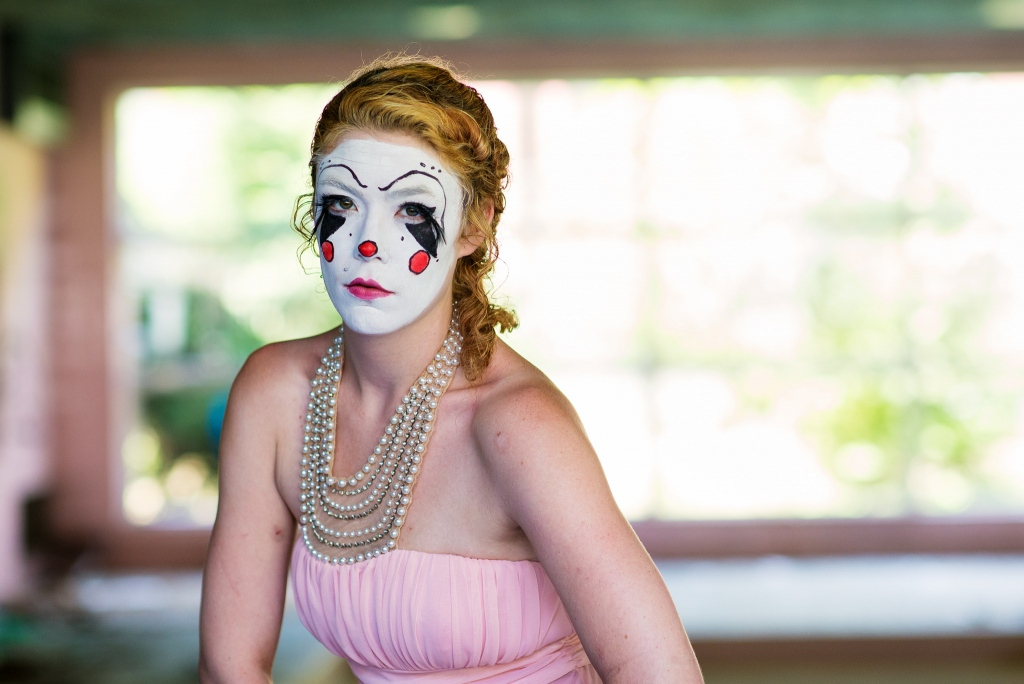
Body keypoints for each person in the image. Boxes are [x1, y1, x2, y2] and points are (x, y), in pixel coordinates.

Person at [199, 55, 704, 683]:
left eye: (411, 210)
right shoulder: (275, 395)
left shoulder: (517, 426)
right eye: (343, 202)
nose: (366, 244)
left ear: (475, 224)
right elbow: (228, 667)